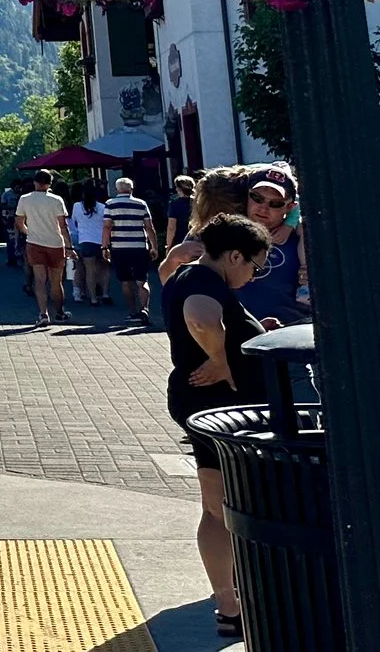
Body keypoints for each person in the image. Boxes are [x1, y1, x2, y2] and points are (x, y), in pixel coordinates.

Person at [162, 216, 277, 642]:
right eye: (254, 265)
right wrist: (221, 360)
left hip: (204, 405)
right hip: (221, 409)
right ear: (233, 255)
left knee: (217, 505)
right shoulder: (203, 282)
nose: (253, 274)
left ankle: (230, 603)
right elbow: (201, 319)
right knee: (226, 506)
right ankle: (233, 603)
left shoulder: (188, 275)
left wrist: (252, 335)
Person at [233, 176, 310, 326]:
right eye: (257, 198)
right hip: (241, 337)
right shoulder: (223, 233)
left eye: (275, 203)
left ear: (290, 207)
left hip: (292, 334)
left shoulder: (302, 238)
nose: (263, 208)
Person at [15, 171, 72, 326]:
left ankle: (43, 314)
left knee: (39, 280)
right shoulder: (56, 200)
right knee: (56, 281)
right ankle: (59, 312)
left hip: (34, 243)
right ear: (50, 183)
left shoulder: (25, 199)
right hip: (55, 243)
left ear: (35, 182)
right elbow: (63, 226)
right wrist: (69, 246)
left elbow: (19, 222)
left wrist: (29, 232)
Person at [102, 177, 159, 327]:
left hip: (120, 247)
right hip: (139, 246)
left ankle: (133, 311)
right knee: (142, 280)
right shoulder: (141, 204)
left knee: (126, 281)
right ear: (131, 189)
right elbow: (149, 227)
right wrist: (154, 246)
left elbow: (107, 226)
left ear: (117, 190)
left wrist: (104, 246)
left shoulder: (110, 204)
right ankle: (145, 309)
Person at [68, 181, 112, 307]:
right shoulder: (103, 207)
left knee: (89, 270)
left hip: (85, 241)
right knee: (104, 269)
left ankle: (93, 298)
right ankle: (105, 294)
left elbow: (75, 221)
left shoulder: (77, 206)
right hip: (101, 242)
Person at [165, 174, 196, 248]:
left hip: (180, 241)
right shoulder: (199, 202)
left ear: (179, 189)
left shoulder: (174, 204)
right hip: (198, 239)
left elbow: (171, 227)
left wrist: (168, 245)